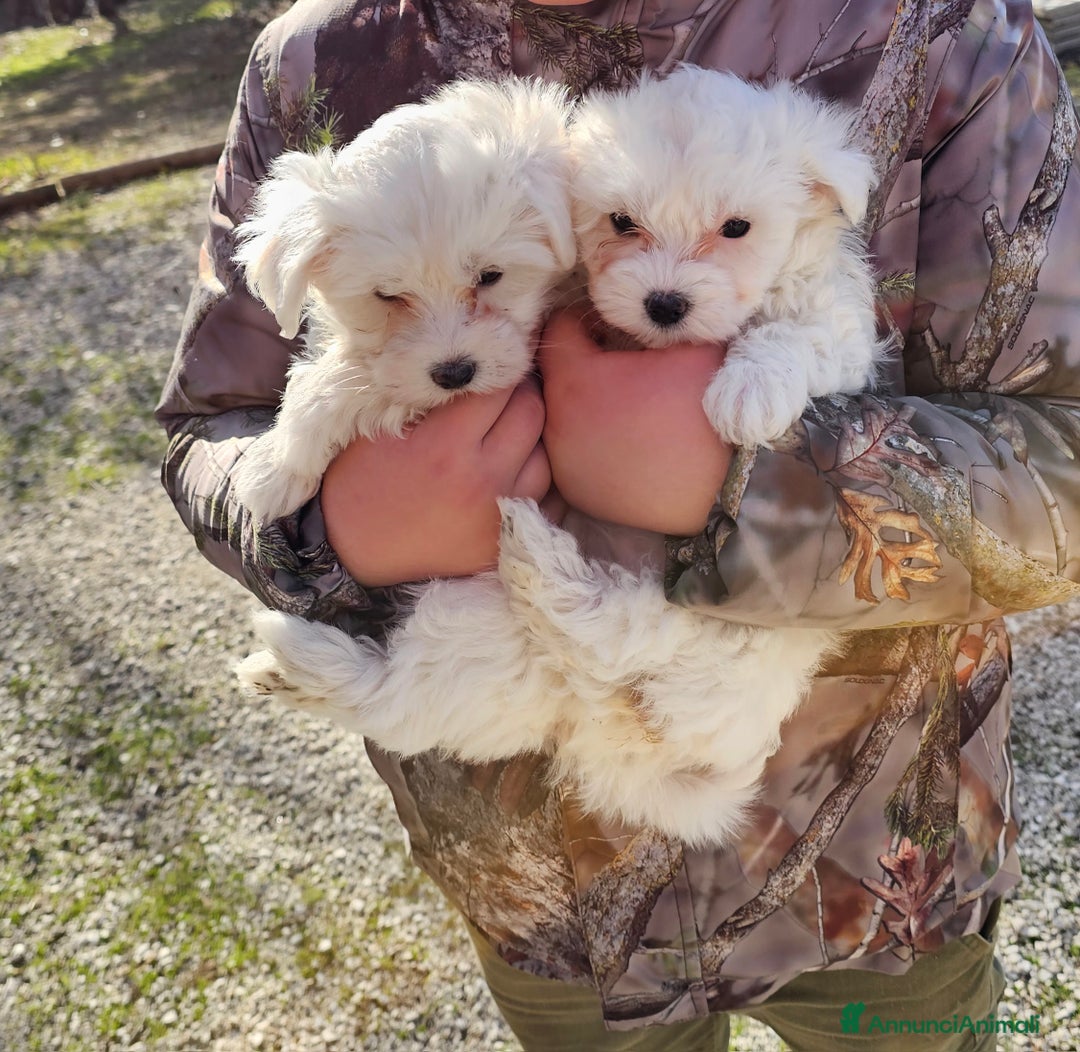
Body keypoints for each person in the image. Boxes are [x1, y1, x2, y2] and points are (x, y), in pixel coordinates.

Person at [156, 0, 1080, 1047]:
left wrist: (742, 491)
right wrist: (336, 529)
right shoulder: (313, 64)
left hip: (883, 881)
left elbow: (1068, 461)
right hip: (545, 909)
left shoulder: (949, 33)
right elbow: (205, 427)